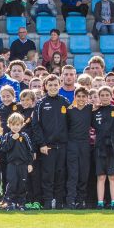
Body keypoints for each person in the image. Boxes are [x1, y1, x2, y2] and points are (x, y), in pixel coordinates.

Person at [32, 75, 69, 210]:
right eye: (50, 85)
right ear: (45, 86)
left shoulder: (64, 102)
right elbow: (36, 126)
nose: (53, 87)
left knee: (61, 174)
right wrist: (42, 144)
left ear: (59, 85)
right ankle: (47, 202)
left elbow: (70, 123)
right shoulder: (41, 103)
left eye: (55, 85)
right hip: (47, 147)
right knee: (48, 175)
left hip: (63, 146)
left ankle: (59, 202)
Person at [0, 112, 34, 211]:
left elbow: (30, 151)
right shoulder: (7, 136)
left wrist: (30, 164)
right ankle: (9, 203)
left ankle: (21, 203)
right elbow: (4, 149)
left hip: (23, 165)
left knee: (22, 184)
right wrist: (12, 139)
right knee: (11, 184)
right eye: (13, 125)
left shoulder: (24, 136)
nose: (15, 127)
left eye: (18, 125)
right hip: (11, 165)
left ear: (22, 125)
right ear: (9, 125)